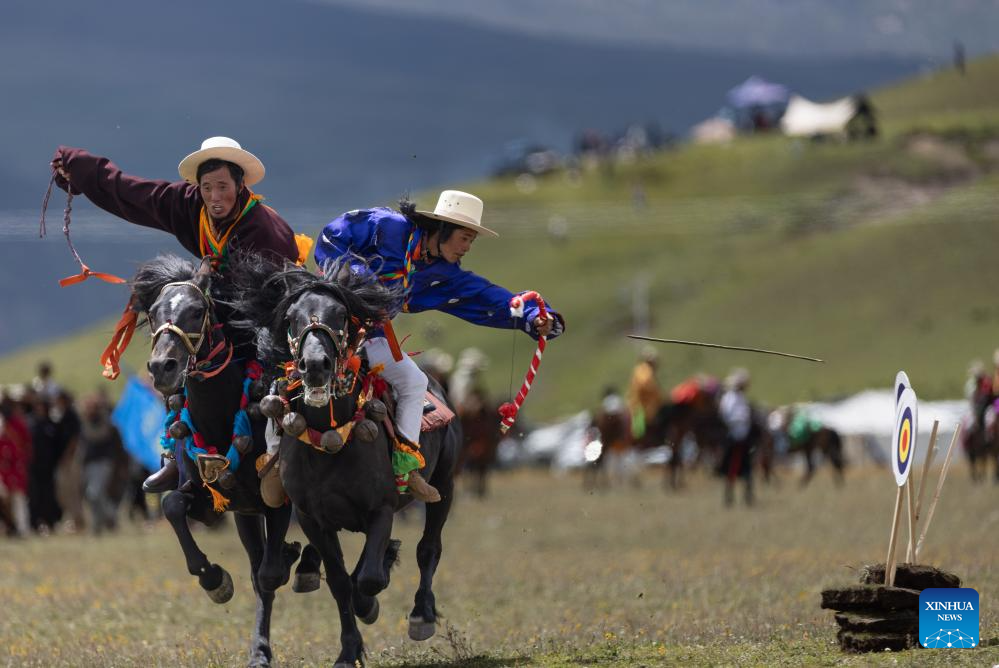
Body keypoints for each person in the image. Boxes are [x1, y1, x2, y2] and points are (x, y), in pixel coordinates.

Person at [51, 137, 308, 493]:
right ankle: (175, 458)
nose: (215, 196)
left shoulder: (265, 231)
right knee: (184, 352)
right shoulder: (189, 205)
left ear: (240, 185)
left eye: (223, 187)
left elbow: (273, 301)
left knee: (280, 379)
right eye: (207, 188)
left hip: (270, 314)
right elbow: (130, 193)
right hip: (219, 314)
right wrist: (78, 168)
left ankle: (285, 460)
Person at [309, 190, 565, 502]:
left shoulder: (444, 274)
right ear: (442, 229)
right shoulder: (387, 225)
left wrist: (536, 317)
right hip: (325, 323)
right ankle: (271, 458)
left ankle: (406, 469)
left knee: (415, 381)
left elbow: (488, 297)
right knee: (280, 368)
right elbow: (331, 236)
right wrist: (356, 276)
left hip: (370, 336)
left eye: (472, 241)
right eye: (464, 237)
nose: (467, 247)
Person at [718, 368, 755, 507]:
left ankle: (748, 497)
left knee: (747, 469)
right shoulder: (729, 398)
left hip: (743, 437)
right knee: (732, 469)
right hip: (735, 437)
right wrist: (740, 419)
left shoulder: (741, 397)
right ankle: (729, 498)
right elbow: (726, 415)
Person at [627, 346, 662, 447]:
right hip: (642, 406)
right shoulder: (644, 370)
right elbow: (647, 385)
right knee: (640, 431)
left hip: (645, 405)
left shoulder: (643, 370)